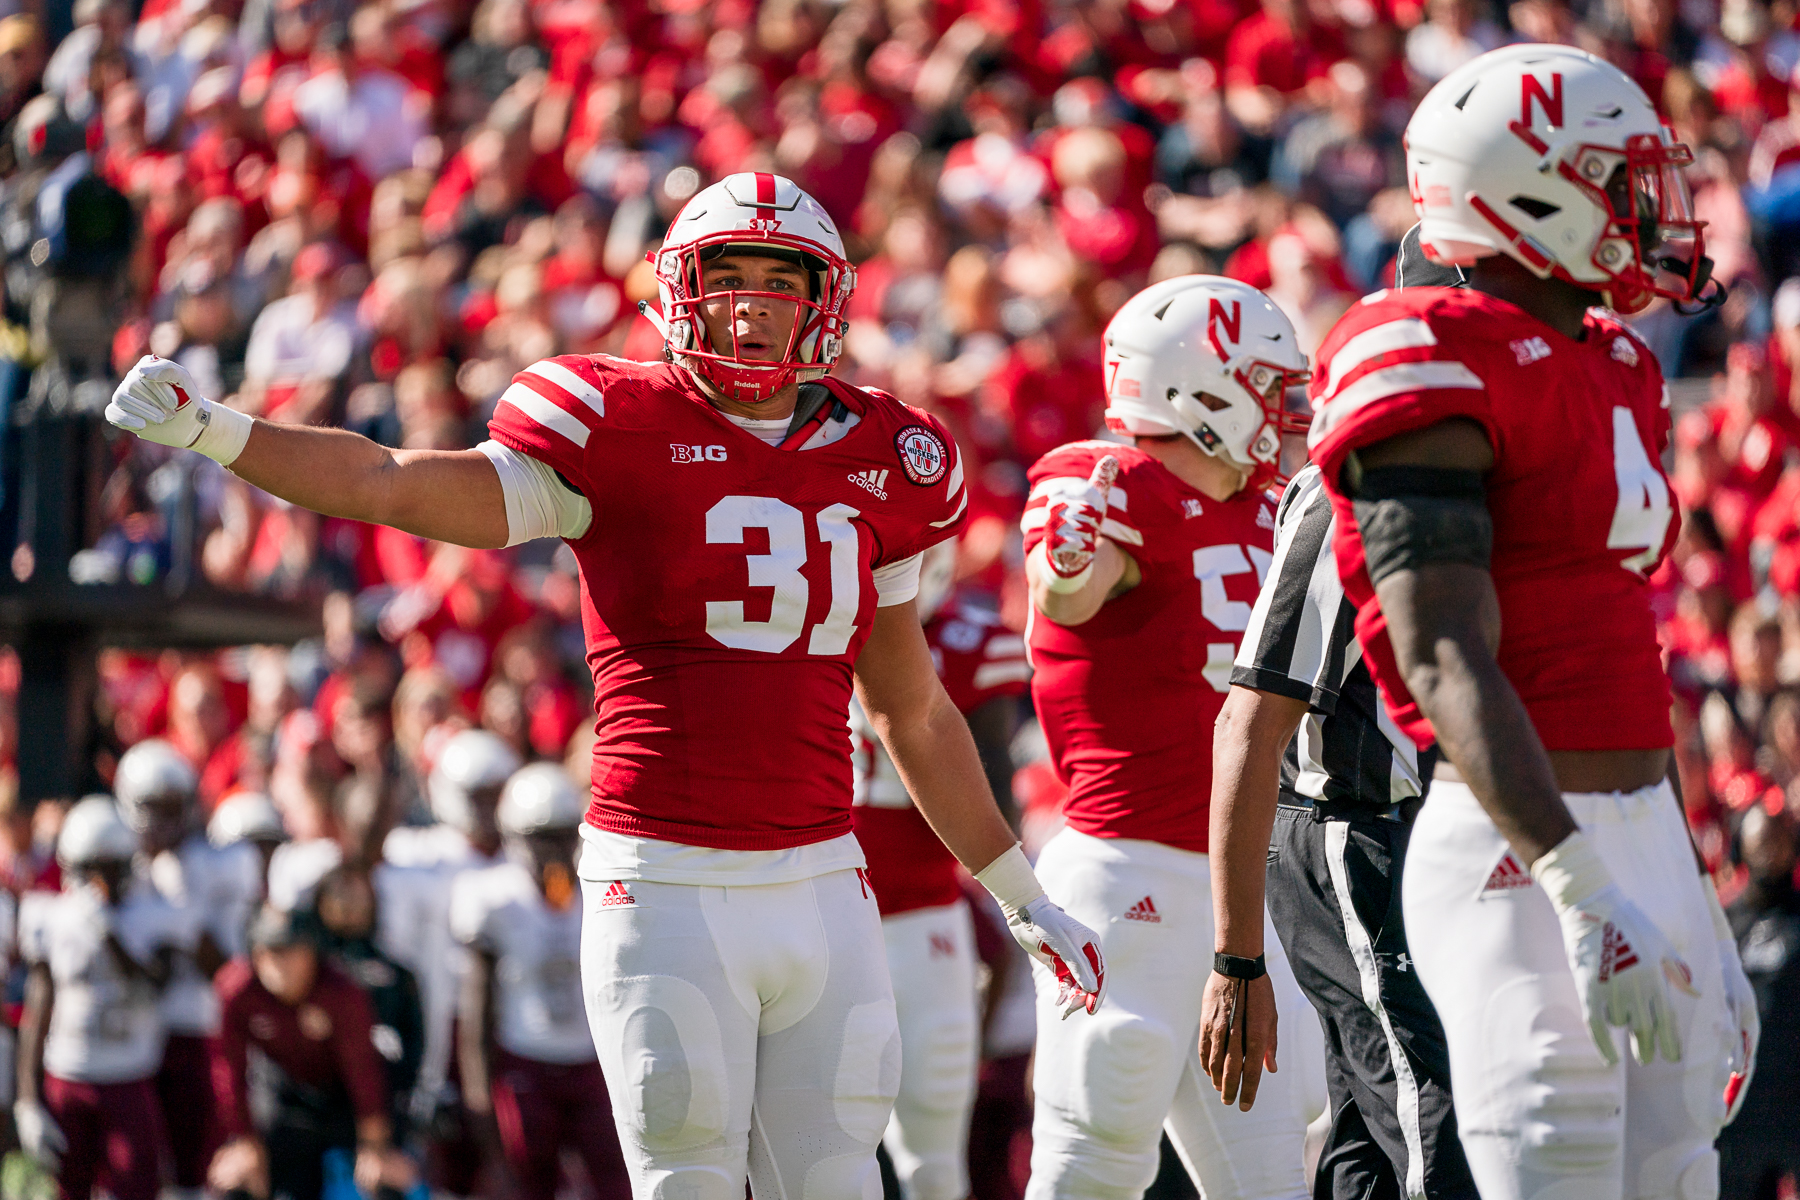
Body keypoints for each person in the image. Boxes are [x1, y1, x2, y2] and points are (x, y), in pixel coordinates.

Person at [107, 171, 1104, 1200]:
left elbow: (912, 706)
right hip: (663, 876)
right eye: (730, 276)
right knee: (687, 1183)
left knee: (838, 1183)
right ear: (681, 287)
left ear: (827, 298)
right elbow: (389, 479)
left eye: (782, 277)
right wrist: (217, 432)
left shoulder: (886, 453)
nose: (754, 303)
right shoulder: (613, 422)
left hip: (822, 877)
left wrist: (1018, 895)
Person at [1303, 43, 1758, 1200]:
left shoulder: (1614, 362)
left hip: (1647, 821)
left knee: (1679, 1173)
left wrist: (1680, 887)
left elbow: (1623, 647)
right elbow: (1440, 648)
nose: (1654, 208)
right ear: (1527, 190)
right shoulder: (1420, 346)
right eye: (1624, 178)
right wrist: (1579, 883)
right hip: (1515, 843)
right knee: (1554, 1159)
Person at [1018, 273, 1322, 1200]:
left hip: (1244, 886)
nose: (1288, 409)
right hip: (1128, 873)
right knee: (1095, 1154)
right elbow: (1067, 589)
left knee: (1272, 1174)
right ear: (1201, 392)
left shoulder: (1275, 509)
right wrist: (1072, 551)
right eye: (1269, 386)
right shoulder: (1106, 481)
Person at [1197, 227, 1479, 1200]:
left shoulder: (1499, 454)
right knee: (1435, 1120)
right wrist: (1237, 957)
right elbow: (1253, 720)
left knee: (1369, 1128)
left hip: (1425, 830)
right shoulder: (1350, 476)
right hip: (1353, 832)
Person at [848, 540, 1029, 1200]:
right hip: (837, 910)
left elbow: (993, 792)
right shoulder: (819, 621)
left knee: (930, 1158)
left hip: (919, 915)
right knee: (824, 1150)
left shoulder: (967, 639)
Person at [451, 763, 629, 1200]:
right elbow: (478, 1010)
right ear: (514, 838)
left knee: (619, 1185)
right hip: (526, 1064)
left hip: (593, 1065)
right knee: (526, 1182)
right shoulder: (493, 899)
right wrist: (480, 1102)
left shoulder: (599, 890)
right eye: (539, 838)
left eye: (561, 836)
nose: (551, 851)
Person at [14, 797, 185, 1200]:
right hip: (68, 1076)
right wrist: (26, 1099)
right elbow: (38, 1011)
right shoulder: (53, 919)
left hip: (128, 1075)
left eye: (110, 867)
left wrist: (109, 935)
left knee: (135, 1188)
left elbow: (156, 987)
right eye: (92, 868)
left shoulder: (152, 915)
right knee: (69, 1190)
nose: (101, 880)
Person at [114, 737, 262, 1199]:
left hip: (198, 1029)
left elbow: (223, 967)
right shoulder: (116, 866)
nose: (162, 822)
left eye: (172, 806)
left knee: (196, 1172)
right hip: (130, 1036)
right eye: (152, 807)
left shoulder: (213, 864)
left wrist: (186, 924)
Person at [208, 904, 416, 1200]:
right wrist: (243, 1141)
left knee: (387, 1180)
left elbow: (364, 1070)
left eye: (291, 950)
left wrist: (375, 1146)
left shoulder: (342, 993)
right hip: (287, 1100)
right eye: (270, 951)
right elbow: (227, 1068)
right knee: (236, 1181)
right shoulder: (236, 990)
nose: (280, 963)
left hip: (349, 1102)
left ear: (313, 954)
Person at [1719, 803, 1800, 1199]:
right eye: (1762, 839)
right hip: (1744, 1106)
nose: (1772, 849)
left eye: (1780, 839)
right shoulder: (1723, 923)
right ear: (1740, 847)